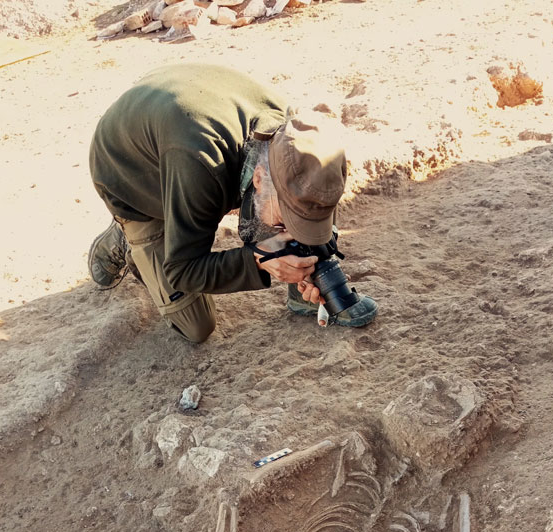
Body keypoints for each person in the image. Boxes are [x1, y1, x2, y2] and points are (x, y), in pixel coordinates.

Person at [88, 63, 377, 342]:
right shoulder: (201, 164)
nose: (288, 230)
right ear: (260, 178)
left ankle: (288, 263)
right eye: (285, 220)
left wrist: (312, 261)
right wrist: (259, 261)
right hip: (131, 176)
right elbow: (182, 269)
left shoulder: (295, 141)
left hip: (181, 114)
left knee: (308, 193)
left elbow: (309, 196)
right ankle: (125, 237)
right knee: (197, 327)